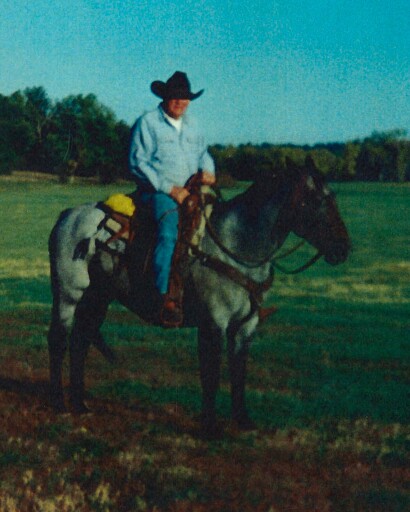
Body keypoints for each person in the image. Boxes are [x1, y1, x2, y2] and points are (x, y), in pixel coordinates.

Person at [129, 71, 215, 324]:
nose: (180, 102)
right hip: (156, 192)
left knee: (215, 226)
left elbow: (203, 153)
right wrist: (169, 189)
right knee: (169, 229)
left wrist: (209, 170)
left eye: (185, 97)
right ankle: (161, 294)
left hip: (191, 191)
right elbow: (138, 162)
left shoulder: (194, 124)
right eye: (175, 97)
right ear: (165, 97)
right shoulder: (147, 122)